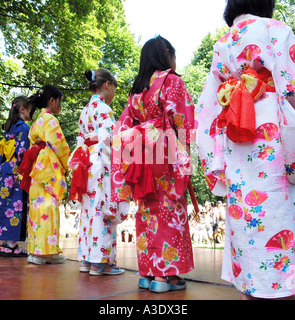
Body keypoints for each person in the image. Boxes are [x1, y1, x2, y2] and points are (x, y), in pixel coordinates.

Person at [196, 0, 295, 299]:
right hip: (270, 123)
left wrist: (214, 152)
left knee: (244, 208)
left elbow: (206, 108)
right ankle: (281, 290)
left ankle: (251, 288)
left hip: (235, 127)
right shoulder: (274, 30)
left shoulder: (222, 44)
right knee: (275, 204)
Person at [111, 36, 195, 293]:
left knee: (147, 209)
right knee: (169, 209)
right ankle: (165, 276)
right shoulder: (172, 82)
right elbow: (182, 121)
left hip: (141, 153)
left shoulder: (136, 90)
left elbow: (125, 126)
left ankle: (147, 273)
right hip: (165, 151)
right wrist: (186, 159)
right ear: (167, 54)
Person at [69, 68, 127, 275]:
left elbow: (79, 141)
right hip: (100, 162)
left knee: (88, 210)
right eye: (114, 89)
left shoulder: (85, 110)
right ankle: (102, 262)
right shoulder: (103, 108)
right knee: (104, 208)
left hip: (86, 164)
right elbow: (109, 139)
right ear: (107, 85)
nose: (114, 94)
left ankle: (86, 259)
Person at [21, 85, 70, 265]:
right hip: (46, 168)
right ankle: (44, 253)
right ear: (52, 101)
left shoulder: (37, 120)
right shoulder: (49, 119)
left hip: (37, 167)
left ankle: (37, 251)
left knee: (37, 209)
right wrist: (67, 163)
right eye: (60, 101)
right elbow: (59, 144)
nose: (60, 106)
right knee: (47, 208)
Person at [0, 96, 31, 257]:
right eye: (30, 109)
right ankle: (12, 245)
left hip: (4, 169)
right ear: (22, 110)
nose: (32, 112)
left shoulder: (10, 127)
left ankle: (6, 244)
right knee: (15, 207)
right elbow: (22, 153)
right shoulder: (24, 128)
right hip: (15, 171)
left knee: (5, 207)